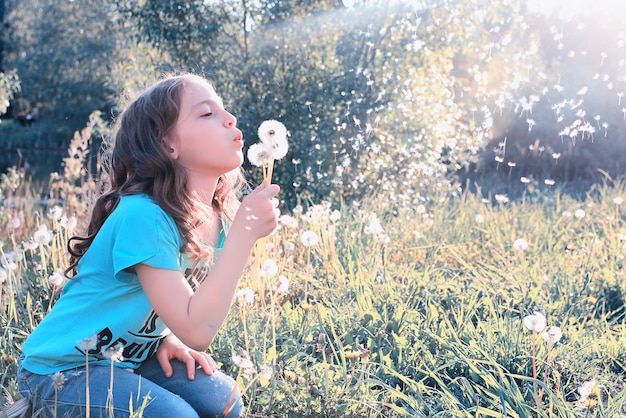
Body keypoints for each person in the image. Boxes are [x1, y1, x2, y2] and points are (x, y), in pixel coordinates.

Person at [17, 73, 280, 417]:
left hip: (127, 355)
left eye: (223, 109)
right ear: (168, 144)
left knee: (224, 402)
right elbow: (198, 331)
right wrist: (244, 238)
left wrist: (164, 338)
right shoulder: (144, 215)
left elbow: (178, 304)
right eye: (206, 114)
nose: (230, 117)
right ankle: (36, 406)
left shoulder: (218, 216)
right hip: (62, 368)